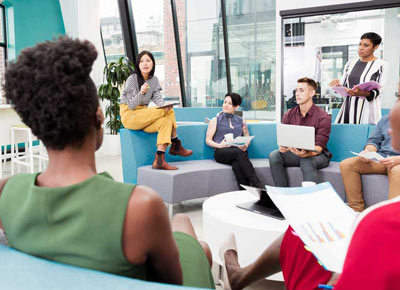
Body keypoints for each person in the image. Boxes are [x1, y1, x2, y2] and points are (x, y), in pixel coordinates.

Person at [0, 37, 214, 289]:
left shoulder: (5, 191)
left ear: (35, 130)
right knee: (195, 239)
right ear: (98, 118)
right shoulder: (141, 205)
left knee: (183, 225)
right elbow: (171, 283)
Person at [220, 100, 400, 290]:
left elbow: (320, 145)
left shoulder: (379, 222)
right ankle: (240, 277)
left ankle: (240, 278)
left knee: (306, 221)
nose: (390, 128)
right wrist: (369, 150)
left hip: (319, 155)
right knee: (302, 225)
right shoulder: (290, 114)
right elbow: (373, 141)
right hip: (375, 160)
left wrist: (339, 278)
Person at [120, 50, 192, 170]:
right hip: (130, 116)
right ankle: (175, 143)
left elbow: (159, 101)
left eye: (148, 60)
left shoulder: (154, 81)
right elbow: (131, 105)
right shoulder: (132, 79)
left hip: (144, 116)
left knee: (167, 119)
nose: (145, 63)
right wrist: (141, 93)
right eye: (142, 61)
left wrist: (166, 105)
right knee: (166, 111)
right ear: (138, 64)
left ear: (153, 63)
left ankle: (159, 159)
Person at [340, 90, 400, 212]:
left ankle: (392, 216)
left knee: (398, 172)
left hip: (398, 162)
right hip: (382, 158)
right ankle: (356, 210)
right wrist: (368, 151)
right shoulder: (386, 119)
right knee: (347, 164)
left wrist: (397, 159)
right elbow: (374, 141)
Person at [269, 77, 331, 186]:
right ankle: (282, 193)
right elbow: (285, 139)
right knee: (274, 155)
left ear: (312, 93)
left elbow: (319, 147)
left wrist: (306, 154)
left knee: (307, 160)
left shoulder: (323, 116)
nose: (297, 94)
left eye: (301, 90)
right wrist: (283, 147)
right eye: (296, 90)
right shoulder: (289, 114)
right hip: (295, 153)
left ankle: (309, 197)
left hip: (317, 155)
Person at [205, 93, 263, 189]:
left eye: (230, 103)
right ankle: (257, 183)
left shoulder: (241, 121)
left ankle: (245, 192)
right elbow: (208, 140)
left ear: (236, 106)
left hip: (238, 152)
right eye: (225, 102)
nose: (225, 105)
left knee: (237, 165)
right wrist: (220, 145)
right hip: (221, 152)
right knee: (238, 153)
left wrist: (245, 144)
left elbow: (246, 136)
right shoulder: (215, 120)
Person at [330, 32, 388, 125]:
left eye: (366, 45)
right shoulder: (350, 63)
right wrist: (337, 85)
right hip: (348, 108)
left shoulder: (381, 64)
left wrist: (363, 93)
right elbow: (343, 84)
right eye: (360, 44)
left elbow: (381, 89)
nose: (360, 47)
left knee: (364, 136)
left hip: (368, 109)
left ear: (376, 47)